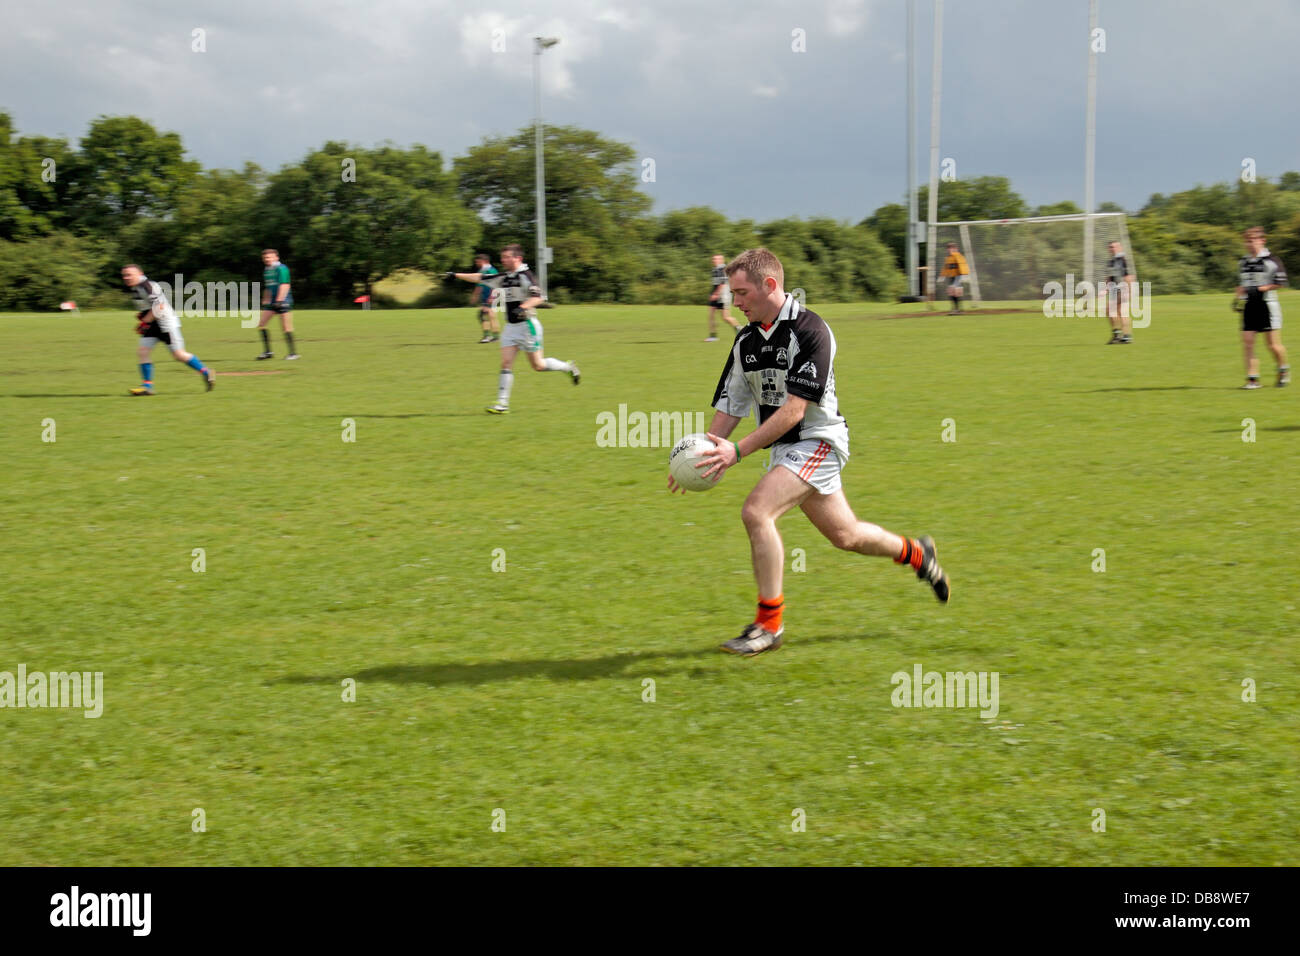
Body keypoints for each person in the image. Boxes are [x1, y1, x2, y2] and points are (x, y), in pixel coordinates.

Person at [668, 248, 949, 657]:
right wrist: (702, 455)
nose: (736, 302)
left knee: (756, 512)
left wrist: (737, 452)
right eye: (733, 293)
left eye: (742, 292)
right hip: (786, 449)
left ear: (770, 285)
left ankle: (769, 625)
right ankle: (916, 553)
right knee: (847, 536)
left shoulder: (810, 329)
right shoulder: (746, 339)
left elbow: (795, 409)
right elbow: (731, 404)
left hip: (819, 440)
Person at [446, 243, 580, 414]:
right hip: (510, 327)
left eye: (507, 257)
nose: (503, 260)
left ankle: (567, 367)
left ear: (518, 258)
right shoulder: (504, 277)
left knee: (538, 365)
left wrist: (523, 307)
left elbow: (538, 298)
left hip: (527, 326)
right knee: (506, 363)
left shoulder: (526, 276)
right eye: (503, 257)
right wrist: (456, 275)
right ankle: (502, 404)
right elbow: (479, 278)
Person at [121, 264, 215, 396]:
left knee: (179, 355)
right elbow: (150, 306)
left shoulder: (147, 285)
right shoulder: (137, 287)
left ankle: (206, 372)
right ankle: (147, 386)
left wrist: (144, 321)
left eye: (129, 274)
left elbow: (159, 306)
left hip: (165, 324)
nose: (126, 277)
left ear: (140, 273)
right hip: (153, 324)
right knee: (142, 352)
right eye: (124, 275)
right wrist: (143, 315)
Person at [1235, 227, 1289, 389]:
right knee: (1248, 342)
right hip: (1249, 306)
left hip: (1267, 305)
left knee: (1272, 345)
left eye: (1252, 241)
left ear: (1262, 240)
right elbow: (1244, 283)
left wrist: (1260, 289)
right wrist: (1240, 292)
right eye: (1247, 241)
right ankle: (1253, 380)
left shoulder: (1272, 260)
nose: (1250, 244)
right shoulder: (1243, 262)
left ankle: (1283, 370)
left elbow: (1280, 283)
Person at [256, 249, 299, 360]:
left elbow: (285, 285)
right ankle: (268, 352)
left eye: (269, 257)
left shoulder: (282, 268)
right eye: (265, 258)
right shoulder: (267, 270)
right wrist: (265, 300)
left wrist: (279, 301)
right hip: (272, 302)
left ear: (276, 257)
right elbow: (268, 287)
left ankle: (293, 354)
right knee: (261, 324)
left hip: (283, 301)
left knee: (286, 327)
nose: (267, 259)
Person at [1104, 240, 1136, 344]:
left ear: (1120, 247)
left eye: (1114, 246)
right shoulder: (1112, 261)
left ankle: (1123, 336)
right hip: (1114, 289)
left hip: (1123, 289)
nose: (1112, 248)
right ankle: (1120, 336)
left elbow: (1128, 276)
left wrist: (1128, 291)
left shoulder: (1122, 260)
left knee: (1119, 312)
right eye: (1111, 247)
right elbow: (1110, 277)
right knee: (1112, 311)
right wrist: (1105, 289)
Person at [706, 254, 739, 341]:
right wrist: (712, 293)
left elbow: (723, 283)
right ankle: (713, 336)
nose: (714, 260)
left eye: (716, 259)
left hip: (723, 296)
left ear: (721, 260)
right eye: (713, 259)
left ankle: (739, 329)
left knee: (725, 317)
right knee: (711, 315)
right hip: (717, 295)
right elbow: (716, 284)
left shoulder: (722, 269)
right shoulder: (715, 269)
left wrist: (716, 294)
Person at [472, 253, 501, 344]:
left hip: (491, 297)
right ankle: (495, 337)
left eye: (478, 261)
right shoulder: (483, 271)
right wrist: (475, 296)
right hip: (486, 297)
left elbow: (496, 284)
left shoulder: (491, 271)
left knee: (485, 315)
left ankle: (487, 336)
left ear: (485, 261)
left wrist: (492, 297)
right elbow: (479, 285)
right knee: (490, 316)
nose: (477, 263)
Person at [941, 242, 969, 314]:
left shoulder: (958, 256)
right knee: (952, 293)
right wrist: (943, 275)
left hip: (958, 276)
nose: (949, 250)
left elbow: (963, 266)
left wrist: (965, 275)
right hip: (952, 277)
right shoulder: (948, 258)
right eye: (949, 248)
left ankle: (957, 310)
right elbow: (946, 268)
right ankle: (957, 309)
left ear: (956, 249)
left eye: (951, 248)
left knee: (954, 291)